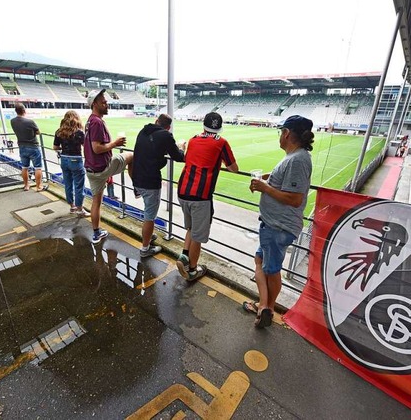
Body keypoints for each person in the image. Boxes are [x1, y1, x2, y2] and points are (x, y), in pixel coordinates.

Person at [245, 115, 314, 328]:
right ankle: (264, 305)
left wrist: (265, 187)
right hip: (272, 224)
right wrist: (268, 178)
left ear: (286, 133)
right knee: (260, 262)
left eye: (280, 132)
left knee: (272, 269)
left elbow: (295, 199)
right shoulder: (294, 157)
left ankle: (267, 308)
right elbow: (286, 184)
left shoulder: (298, 160)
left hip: (278, 226)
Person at [176, 112, 238, 281]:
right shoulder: (221, 143)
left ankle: (184, 256)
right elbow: (234, 168)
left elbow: (188, 159)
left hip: (182, 191)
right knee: (198, 236)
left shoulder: (193, 139)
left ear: (203, 125)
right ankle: (193, 270)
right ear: (219, 128)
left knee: (190, 227)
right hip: (201, 196)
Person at [83, 89, 134, 244]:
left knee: (96, 202)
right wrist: (115, 144)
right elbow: (97, 148)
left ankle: (96, 233)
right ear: (95, 104)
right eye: (103, 101)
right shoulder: (97, 122)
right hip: (103, 167)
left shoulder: (90, 121)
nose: (107, 104)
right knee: (133, 156)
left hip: (91, 170)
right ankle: (137, 187)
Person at [133, 113, 185, 258]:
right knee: (150, 216)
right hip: (150, 181)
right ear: (168, 127)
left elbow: (147, 154)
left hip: (137, 178)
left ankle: (148, 236)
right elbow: (179, 157)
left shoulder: (143, 131)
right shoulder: (166, 135)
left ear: (156, 121)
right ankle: (145, 249)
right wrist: (181, 147)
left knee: (147, 212)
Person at [53, 110, 90, 218]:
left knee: (68, 184)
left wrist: (63, 148)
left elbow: (55, 147)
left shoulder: (59, 132)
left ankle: (72, 206)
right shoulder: (79, 132)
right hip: (76, 160)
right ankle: (80, 209)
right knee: (79, 186)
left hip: (64, 160)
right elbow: (86, 148)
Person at [10, 102, 47, 192]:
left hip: (22, 147)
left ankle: (26, 185)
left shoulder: (12, 121)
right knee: (38, 167)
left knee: (24, 167)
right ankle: (39, 187)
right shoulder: (30, 122)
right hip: (33, 147)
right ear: (24, 111)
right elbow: (38, 132)